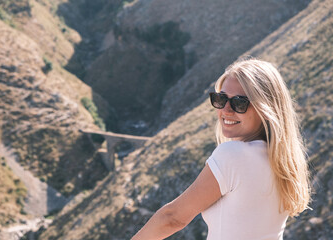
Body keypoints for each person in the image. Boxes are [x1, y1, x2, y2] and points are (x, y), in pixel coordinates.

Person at [131, 58, 311, 240]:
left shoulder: (233, 155)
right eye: (221, 99)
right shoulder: (283, 161)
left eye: (239, 103)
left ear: (265, 108)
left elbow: (173, 218)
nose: (225, 110)